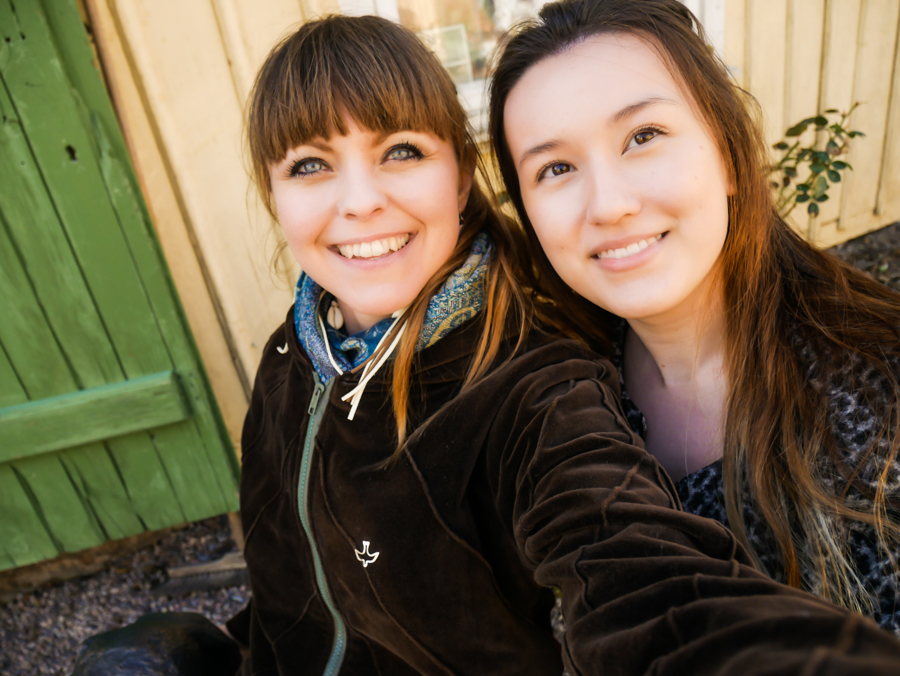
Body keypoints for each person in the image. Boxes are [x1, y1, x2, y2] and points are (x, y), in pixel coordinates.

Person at [490, 0, 900, 637]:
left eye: (643, 136)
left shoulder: (882, 396)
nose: (610, 205)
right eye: (556, 168)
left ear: (729, 156)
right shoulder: (560, 400)